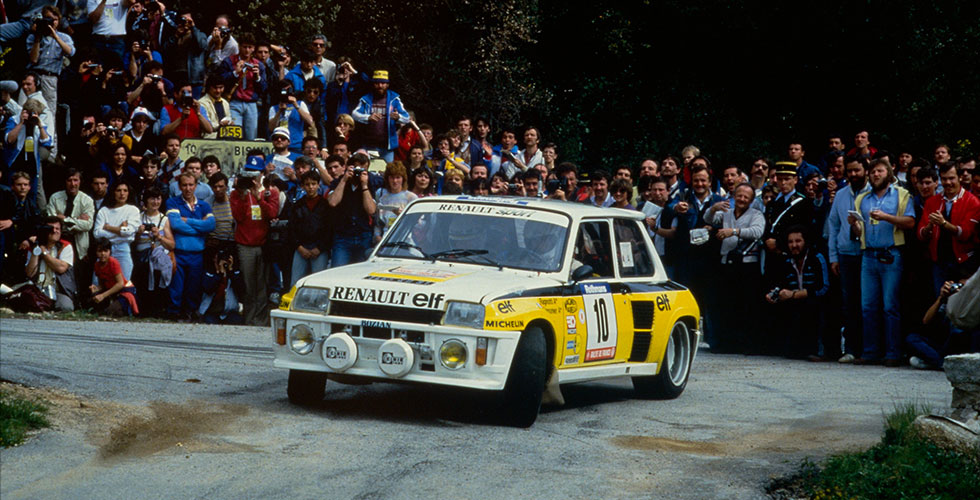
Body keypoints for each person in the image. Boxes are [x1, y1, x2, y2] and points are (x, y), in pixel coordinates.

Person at [851, 157, 915, 366]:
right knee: (868, 306)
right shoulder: (862, 198)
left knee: (890, 306)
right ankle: (870, 352)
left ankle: (893, 353)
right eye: (872, 172)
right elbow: (859, 232)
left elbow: (910, 222)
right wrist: (854, 224)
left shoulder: (902, 195)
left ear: (888, 173)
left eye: (879, 171)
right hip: (868, 255)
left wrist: (886, 217)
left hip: (891, 254)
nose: (876, 175)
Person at [708, 183, 765, 353]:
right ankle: (726, 343)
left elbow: (757, 232)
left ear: (751, 200)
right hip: (727, 263)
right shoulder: (726, 212)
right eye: (739, 196)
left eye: (746, 197)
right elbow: (708, 219)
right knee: (727, 304)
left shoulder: (756, 214)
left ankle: (746, 344)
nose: (741, 199)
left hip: (747, 265)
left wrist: (733, 231)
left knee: (745, 305)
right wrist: (713, 209)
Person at [826, 156, 871, 363]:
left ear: (866, 170)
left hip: (867, 254)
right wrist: (833, 257)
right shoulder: (841, 195)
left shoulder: (873, 193)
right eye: (850, 171)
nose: (853, 175)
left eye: (857, 171)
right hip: (845, 255)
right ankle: (852, 348)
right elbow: (833, 226)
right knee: (849, 304)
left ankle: (869, 349)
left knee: (867, 303)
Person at [764, 226, 829, 359]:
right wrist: (775, 294)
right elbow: (781, 284)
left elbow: (823, 288)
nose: (794, 245)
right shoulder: (787, 260)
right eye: (790, 242)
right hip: (794, 303)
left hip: (816, 303)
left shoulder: (817, 258)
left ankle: (818, 349)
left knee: (812, 307)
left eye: (798, 241)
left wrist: (793, 294)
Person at [917, 163, 980, 296]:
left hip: (963, 263)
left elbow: (965, 234)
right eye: (944, 179)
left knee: (960, 305)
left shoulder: (972, 201)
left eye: (951, 178)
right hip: (939, 262)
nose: (948, 182)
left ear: (959, 178)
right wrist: (928, 227)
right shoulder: (932, 202)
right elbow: (921, 235)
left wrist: (943, 223)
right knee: (940, 305)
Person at [230, 170, 279, 326]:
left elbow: (272, 213)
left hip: (263, 244)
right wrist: (244, 196)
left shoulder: (270, 191)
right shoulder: (236, 194)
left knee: (262, 284)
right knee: (248, 284)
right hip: (245, 245)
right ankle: (249, 319)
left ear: (260, 176)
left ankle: (261, 320)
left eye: (254, 177)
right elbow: (238, 217)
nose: (251, 180)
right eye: (248, 177)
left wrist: (259, 198)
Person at [165, 171, 215, 320]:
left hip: (197, 253)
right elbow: (176, 224)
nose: (188, 188)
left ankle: (190, 312)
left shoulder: (203, 205)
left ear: (195, 186)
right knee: (177, 287)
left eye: (191, 185)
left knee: (194, 286)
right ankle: (174, 312)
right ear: (179, 186)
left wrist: (189, 221)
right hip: (179, 252)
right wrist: (199, 228)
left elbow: (211, 225)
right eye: (184, 185)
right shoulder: (173, 202)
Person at [26, 5, 75, 158]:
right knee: (28, 111)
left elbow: (71, 52)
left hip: (50, 77)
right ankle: (27, 149)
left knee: (50, 114)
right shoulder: (33, 37)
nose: (51, 22)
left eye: (53, 19)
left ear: (58, 20)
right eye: (48, 19)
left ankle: (51, 153)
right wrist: (38, 37)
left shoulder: (64, 37)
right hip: (34, 75)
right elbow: (33, 59)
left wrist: (55, 36)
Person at [328, 153, 381, 267]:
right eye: (357, 169)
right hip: (342, 237)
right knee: (337, 272)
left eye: (363, 169)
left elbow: (371, 210)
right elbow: (333, 202)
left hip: (363, 235)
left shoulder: (370, 183)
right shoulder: (338, 182)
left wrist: (364, 186)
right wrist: (344, 179)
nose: (359, 173)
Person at [131, 186, 173, 317]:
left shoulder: (164, 219)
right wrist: (138, 233)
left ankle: (158, 310)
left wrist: (159, 236)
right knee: (142, 279)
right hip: (141, 256)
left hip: (158, 257)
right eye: (152, 199)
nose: (155, 202)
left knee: (157, 278)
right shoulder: (138, 217)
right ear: (145, 201)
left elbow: (172, 244)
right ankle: (142, 309)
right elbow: (132, 242)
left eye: (158, 198)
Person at [351, 70, 410, 162]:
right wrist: (368, 117)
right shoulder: (366, 99)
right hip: (368, 144)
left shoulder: (395, 99)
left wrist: (398, 117)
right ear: (373, 84)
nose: (380, 86)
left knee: (387, 172)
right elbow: (354, 114)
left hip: (387, 147)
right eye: (377, 83)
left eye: (383, 83)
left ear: (387, 85)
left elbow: (407, 118)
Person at [3, 99, 52, 206]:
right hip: (15, 164)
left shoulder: (38, 123)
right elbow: (9, 140)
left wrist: (39, 125)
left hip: (32, 165)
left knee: (32, 196)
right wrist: (21, 123)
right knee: (10, 196)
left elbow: (47, 142)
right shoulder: (14, 120)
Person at [45, 168, 95, 271]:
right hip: (57, 240)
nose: (73, 184)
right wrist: (77, 219)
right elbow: (51, 222)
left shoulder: (87, 200)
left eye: (76, 180)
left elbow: (88, 225)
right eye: (69, 180)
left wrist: (65, 219)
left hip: (78, 245)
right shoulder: (55, 197)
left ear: (80, 181)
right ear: (65, 181)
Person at [219, 32, 265, 141]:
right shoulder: (229, 61)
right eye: (245, 47)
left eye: (250, 47)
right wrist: (235, 73)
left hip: (252, 104)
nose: (247, 50)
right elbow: (221, 81)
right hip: (235, 102)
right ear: (239, 46)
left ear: (254, 48)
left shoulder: (259, 65)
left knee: (251, 137)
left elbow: (264, 88)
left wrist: (257, 77)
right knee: (234, 136)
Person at [288, 171, 331, 286]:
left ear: (318, 185)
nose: (311, 187)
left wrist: (320, 248)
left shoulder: (325, 205)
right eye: (307, 184)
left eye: (313, 184)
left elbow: (329, 229)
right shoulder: (297, 205)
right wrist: (299, 247)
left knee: (318, 283)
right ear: (302, 186)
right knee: (295, 282)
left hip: (319, 249)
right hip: (301, 248)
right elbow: (291, 229)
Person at [24, 216, 76, 311]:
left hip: (57, 290)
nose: (55, 231)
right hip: (37, 288)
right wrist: (37, 247)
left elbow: (61, 268)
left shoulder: (65, 246)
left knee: (66, 306)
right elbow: (30, 273)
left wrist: (43, 251)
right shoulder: (35, 246)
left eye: (57, 229)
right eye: (51, 228)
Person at [93, 181, 139, 280]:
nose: (122, 193)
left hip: (123, 250)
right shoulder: (104, 210)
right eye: (119, 190)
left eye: (125, 190)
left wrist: (109, 227)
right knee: (98, 283)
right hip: (104, 250)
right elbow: (97, 233)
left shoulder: (133, 210)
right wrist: (120, 230)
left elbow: (129, 232)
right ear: (113, 192)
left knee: (123, 282)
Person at [161, 9, 207, 97]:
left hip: (193, 78)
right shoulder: (175, 36)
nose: (185, 22)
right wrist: (176, 36)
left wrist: (193, 27)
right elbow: (165, 51)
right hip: (176, 77)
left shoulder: (199, 34)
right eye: (183, 20)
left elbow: (202, 46)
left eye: (188, 20)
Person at [88, 237, 138, 316]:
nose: (103, 254)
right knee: (92, 301)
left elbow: (120, 284)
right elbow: (102, 284)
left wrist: (103, 295)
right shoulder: (97, 265)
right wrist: (96, 288)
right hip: (111, 291)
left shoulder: (113, 262)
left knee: (111, 311)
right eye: (100, 251)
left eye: (105, 251)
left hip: (123, 291)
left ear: (110, 251)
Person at [198, 248, 245, 324]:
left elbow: (241, 290)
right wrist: (219, 274)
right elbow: (208, 289)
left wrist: (231, 271)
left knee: (238, 321)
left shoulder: (234, 273)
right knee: (211, 324)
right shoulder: (209, 272)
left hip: (229, 312)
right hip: (211, 311)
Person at [374, 162, 417, 243]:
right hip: (385, 239)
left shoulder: (411, 197)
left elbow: (418, 224)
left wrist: (402, 215)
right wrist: (377, 236)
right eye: (392, 178)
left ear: (403, 179)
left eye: (398, 177)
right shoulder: (380, 193)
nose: (395, 181)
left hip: (405, 239)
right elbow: (377, 222)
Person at [267, 82, 313, 153]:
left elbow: (310, 121)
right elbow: (271, 128)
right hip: (281, 146)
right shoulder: (273, 108)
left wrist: (296, 105)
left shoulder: (300, 104)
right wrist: (279, 112)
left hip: (297, 145)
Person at [197, 74, 231, 139]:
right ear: (209, 87)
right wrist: (220, 125)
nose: (218, 91)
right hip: (209, 138)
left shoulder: (225, 103)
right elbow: (206, 126)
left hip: (226, 138)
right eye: (215, 88)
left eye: (221, 88)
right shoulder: (201, 103)